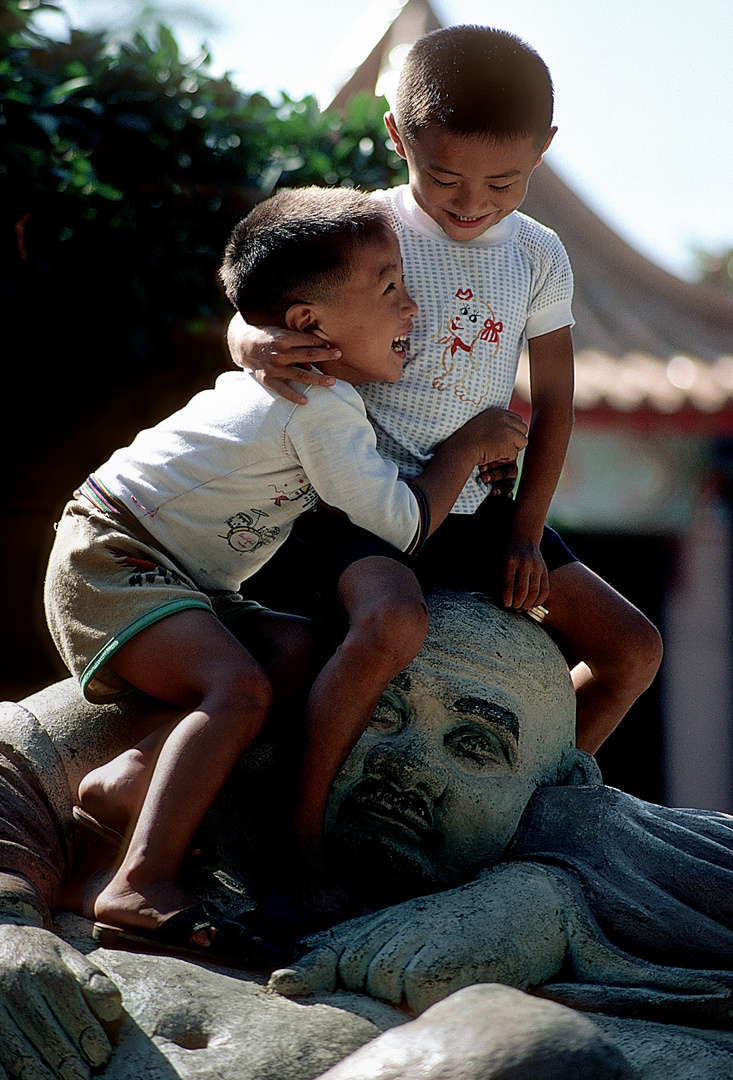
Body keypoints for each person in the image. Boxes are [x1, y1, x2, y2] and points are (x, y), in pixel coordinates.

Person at [42, 185, 529, 957]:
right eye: (391, 289)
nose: (413, 310)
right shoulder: (320, 406)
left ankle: (127, 780)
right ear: (309, 325)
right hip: (117, 551)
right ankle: (141, 882)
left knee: (298, 650)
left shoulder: (318, 390)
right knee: (239, 689)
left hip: (183, 577)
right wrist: (464, 448)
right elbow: (400, 525)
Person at [1, 590, 733, 1079]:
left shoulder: (567, 837)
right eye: (379, 715)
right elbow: (18, 747)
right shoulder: (235, 750)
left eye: (475, 744)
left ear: (555, 784)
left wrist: (550, 903)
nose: (408, 762)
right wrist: (5, 927)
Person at [226, 26, 663, 755]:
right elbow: (257, 316)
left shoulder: (538, 253)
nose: (470, 203)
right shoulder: (363, 231)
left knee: (633, 650)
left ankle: (530, 807)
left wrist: (524, 531)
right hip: (360, 505)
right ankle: (298, 825)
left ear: (542, 149)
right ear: (399, 137)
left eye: (502, 184)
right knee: (370, 638)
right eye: (444, 177)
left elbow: (555, 401)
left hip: (477, 514)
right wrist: (249, 342)